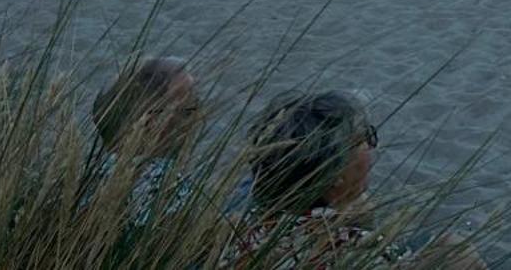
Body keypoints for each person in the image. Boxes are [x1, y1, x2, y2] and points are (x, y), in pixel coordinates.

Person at [233, 91, 485, 269]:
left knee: (363, 211)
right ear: (334, 175)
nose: (371, 146)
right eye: (365, 137)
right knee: (457, 251)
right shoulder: (336, 247)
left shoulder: (251, 223)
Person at [90, 56, 202, 220]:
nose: (196, 120)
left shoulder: (90, 178)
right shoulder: (168, 185)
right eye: (188, 111)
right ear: (149, 121)